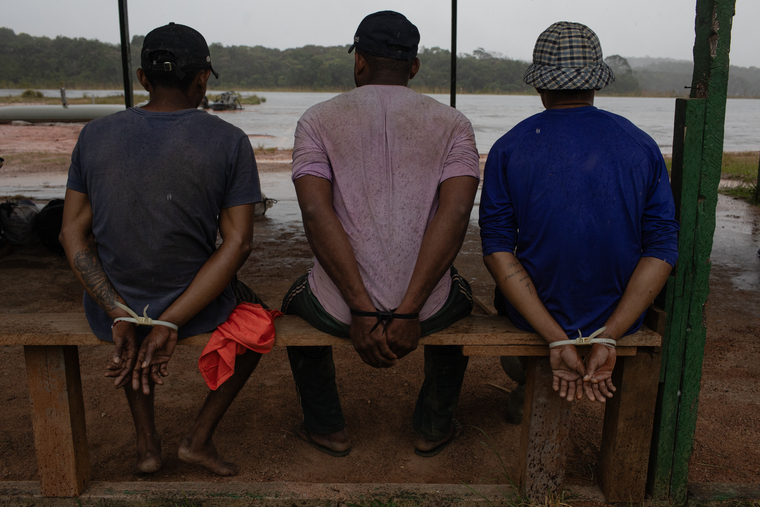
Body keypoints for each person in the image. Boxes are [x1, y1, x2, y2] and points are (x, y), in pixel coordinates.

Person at [60, 23, 264, 476]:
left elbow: (71, 234)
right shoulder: (229, 140)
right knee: (259, 322)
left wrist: (116, 310)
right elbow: (239, 242)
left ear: (141, 78)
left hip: (111, 308)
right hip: (196, 308)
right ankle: (198, 439)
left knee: (134, 307)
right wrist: (171, 320)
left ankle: (147, 445)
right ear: (203, 78)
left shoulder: (94, 135)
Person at [282, 10, 480, 458]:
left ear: (359, 62)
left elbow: (315, 214)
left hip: (340, 309)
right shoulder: (454, 124)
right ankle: (433, 426)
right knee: (465, 297)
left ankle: (327, 427)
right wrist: (409, 312)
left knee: (294, 301)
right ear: (413, 67)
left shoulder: (316, 120)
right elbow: (456, 214)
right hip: (425, 311)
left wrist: (360, 308)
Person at [479, 21, 679, 415]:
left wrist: (556, 338)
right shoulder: (640, 144)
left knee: (502, 292)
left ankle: (525, 378)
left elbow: (496, 248)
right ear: (596, 83)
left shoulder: (509, 147)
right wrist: (610, 336)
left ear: (539, 86)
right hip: (620, 319)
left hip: (533, 318)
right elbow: (662, 246)